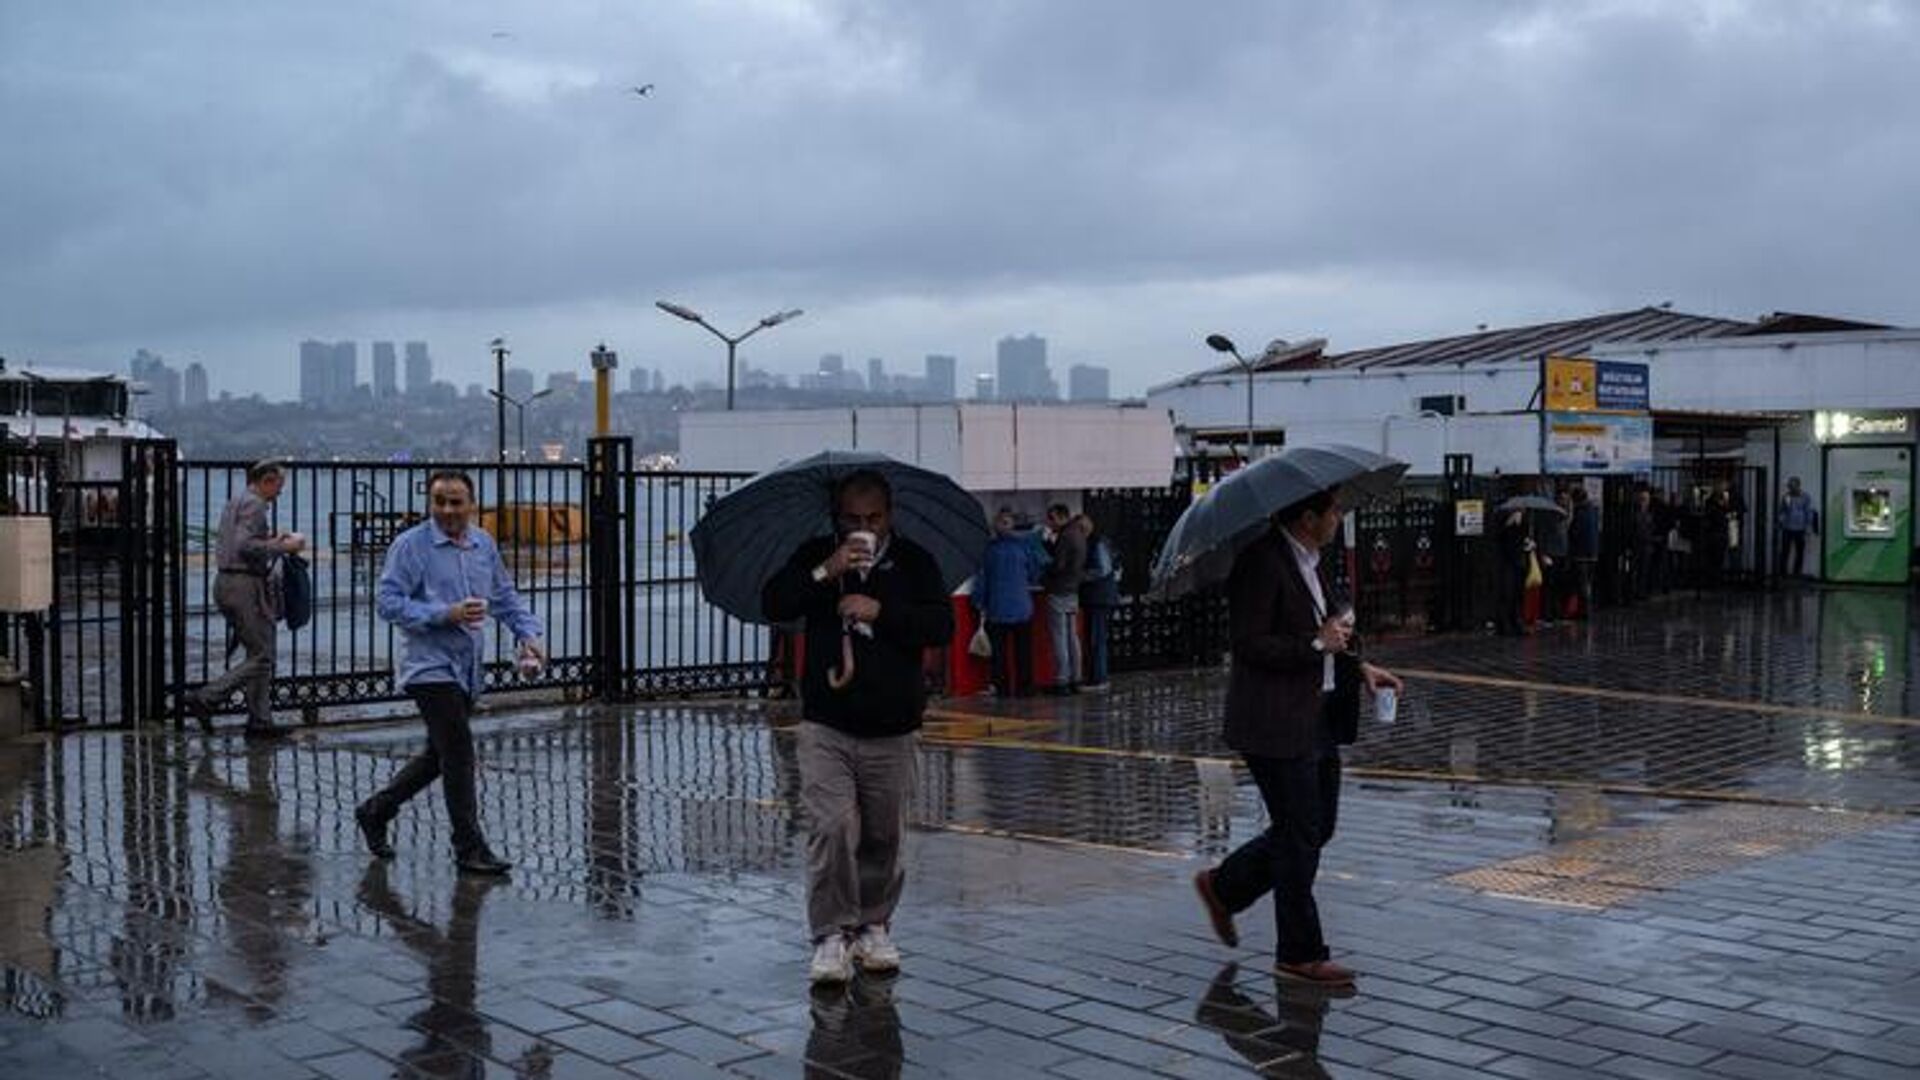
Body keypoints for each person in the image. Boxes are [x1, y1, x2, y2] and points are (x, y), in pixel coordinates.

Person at [1190, 487, 1402, 988]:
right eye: (1332, 512)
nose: (1338, 519)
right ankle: (1300, 954)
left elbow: (1332, 633)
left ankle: (1224, 887)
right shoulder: (1261, 562)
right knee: (1300, 835)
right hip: (1274, 723)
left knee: (1313, 829)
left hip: (1320, 714)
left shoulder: (1312, 561)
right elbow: (1250, 644)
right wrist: (1315, 643)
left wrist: (1362, 668)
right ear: (1308, 516)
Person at [762, 470, 954, 985]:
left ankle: (874, 923)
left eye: (873, 519)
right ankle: (830, 933)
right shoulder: (815, 557)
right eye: (852, 519)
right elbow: (775, 603)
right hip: (827, 722)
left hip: (892, 724)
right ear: (837, 518)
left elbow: (940, 625)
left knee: (881, 833)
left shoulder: (914, 563)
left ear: (889, 517)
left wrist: (882, 610)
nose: (863, 528)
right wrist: (826, 571)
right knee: (831, 827)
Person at [355, 469, 545, 876]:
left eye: (455, 501)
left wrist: (528, 635)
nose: (446, 509)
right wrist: (444, 614)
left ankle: (375, 810)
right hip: (428, 667)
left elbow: (505, 596)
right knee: (458, 752)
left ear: (471, 504)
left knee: (437, 756)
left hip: (467, 667)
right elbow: (387, 602)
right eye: (439, 501)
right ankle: (469, 848)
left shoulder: (483, 544)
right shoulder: (411, 546)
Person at [186, 459, 305, 738]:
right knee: (263, 656)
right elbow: (245, 547)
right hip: (245, 586)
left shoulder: (235, 501)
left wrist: (272, 539)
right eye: (278, 487)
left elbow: (237, 542)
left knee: (258, 651)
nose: (279, 494)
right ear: (267, 481)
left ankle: (260, 722)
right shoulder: (255, 504)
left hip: (225, 582)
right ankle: (207, 697)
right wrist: (284, 545)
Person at [971, 508, 1047, 698]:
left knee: (999, 653)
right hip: (1023, 607)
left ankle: (1002, 688)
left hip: (997, 608)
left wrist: (978, 601)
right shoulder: (1024, 547)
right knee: (1023, 652)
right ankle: (1025, 688)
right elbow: (1034, 573)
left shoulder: (989, 551)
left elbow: (982, 580)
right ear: (1013, 526)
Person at [1040, 503, 1086, 695]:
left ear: (1061, 517)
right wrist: (1050, 544)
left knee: (1060, 638)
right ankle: (1076, 678)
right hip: (1073, 590)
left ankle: (1062, 680)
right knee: (1072, 637)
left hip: (1059, 591)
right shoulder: (1079, 534)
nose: (1049, 523)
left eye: (1051, 519)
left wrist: (1044, 573)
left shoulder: (1065, 537)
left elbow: (1058, 565)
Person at [1077, 513, 1121, 692]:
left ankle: (1099, 679)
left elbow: (1103, 570)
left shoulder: (1097, 543)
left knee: (1097, 639)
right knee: (1094, 638)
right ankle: (1095, 677)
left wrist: (1081, 576)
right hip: (1096, 597)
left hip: (1099, 598)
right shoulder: (1094, 542)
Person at [1495, 507, 1533, 636]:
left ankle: (1517, 622)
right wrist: (1508, 524)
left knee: (1518, 593)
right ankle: (1504, 625)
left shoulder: (1526, 521)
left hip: (1520, 560)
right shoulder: (1503, 518)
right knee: (1507, 593)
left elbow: (1525, 538)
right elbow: (1497, 538)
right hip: (1507, 561)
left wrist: (1529, 543)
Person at [1536, 491, 1570, 624]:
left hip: (1561, 554)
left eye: (1566, 500)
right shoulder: (1551, 516)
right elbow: (1543, 536)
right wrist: (1543, 554)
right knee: (1549, 586)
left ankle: (1557, 613)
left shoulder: (1565, 516)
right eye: (1562, 499)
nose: (1565, 502)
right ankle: (1546, 615)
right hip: (1551, 554)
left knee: (1558, 585)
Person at [1569, 486, 1601, 618]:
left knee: (1582, 584)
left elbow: (1574, 532)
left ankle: (1584, 611)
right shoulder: (1593, 511)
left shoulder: (1580, 512)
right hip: (1593, 553)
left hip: (1581, 554)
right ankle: (1587, 609)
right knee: (1588, 583)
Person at [1777, 476, 1816, 580]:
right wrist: (1781, 520)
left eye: (1792, 486)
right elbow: (1782, 510)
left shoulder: (1805, 497)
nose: (1791, 489)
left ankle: (1796, 573)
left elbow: (1808, 512)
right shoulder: (1786, 497)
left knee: (1799, 552)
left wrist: (1808, 526)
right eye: (1790, 486)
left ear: (1798, 486)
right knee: (1785, 551)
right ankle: (1783, 572)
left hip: (1800, 528)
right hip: (1788, 527)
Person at [1630, 488, 1660, 600]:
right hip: (1638, 545)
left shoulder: (1648, 514)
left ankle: (1641, 591)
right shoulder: (1636, 514)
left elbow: (1650, 529)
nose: (1645, 502)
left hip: (1645, 545)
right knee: (1637, 570)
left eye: (1646, 499)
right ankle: (1635, 591)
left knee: (1644, 571)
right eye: (1643, 499)